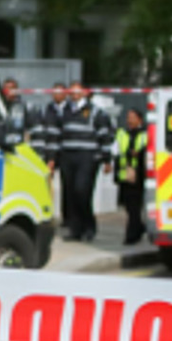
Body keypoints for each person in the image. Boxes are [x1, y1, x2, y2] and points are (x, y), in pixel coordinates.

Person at [56, 82, 114, 242]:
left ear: (85, 92)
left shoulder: (95, 112)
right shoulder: (64, 111)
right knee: (70, 193)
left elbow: (104, 135)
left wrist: (106, 159)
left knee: (82, 191)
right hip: (68, 156)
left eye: (77, 89)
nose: (74, 93)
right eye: (72, 90)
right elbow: (58, 134)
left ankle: (89, 226)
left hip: (87, 157)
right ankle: (76, 230)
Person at [113, 106, 149, 245]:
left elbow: (149, 151)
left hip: (140, 174)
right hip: (125, 174)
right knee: (128, 206)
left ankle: (132, 234)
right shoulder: (122, 133)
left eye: (132, 117)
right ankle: (138, 227)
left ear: (139, 119)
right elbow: (116, 152)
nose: (129, 120)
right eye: (128, 118)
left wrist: (139, 153)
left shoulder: (146, 134)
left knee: (135, 206)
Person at [0, 77, 32, 151]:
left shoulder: (24, 107)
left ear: (17, 90)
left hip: (19, 148)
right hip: (0, 148)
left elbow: (30, 130)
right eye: (6, 88)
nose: (9, 91)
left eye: (12, 88)